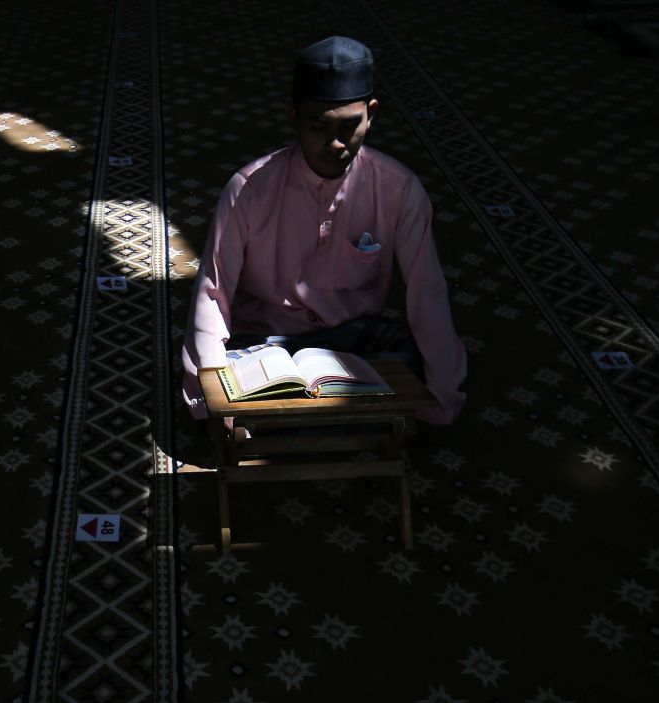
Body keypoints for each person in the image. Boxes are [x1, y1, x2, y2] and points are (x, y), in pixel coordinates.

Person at [180, 35, 468, 426]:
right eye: (319, 127)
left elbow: (426, 291)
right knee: (221, 369)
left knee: (421, 362)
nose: (336, 144)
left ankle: (297, 415)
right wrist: (210, 394)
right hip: (266, 340)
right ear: (293, 117)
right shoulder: (249, 188)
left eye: (350, 127)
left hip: (354, 340)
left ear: (371, 114)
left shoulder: (399, 188)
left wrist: (441, 394)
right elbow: (213, 291)